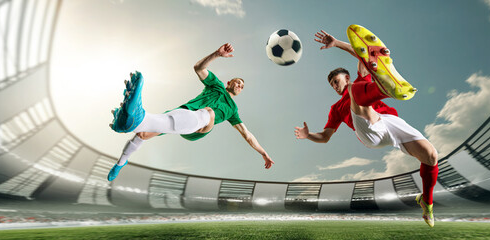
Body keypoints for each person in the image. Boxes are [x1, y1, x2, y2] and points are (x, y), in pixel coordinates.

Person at [294, 30, 439, 227]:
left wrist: (336, 43)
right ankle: (385, 89)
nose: (335, 87)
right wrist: (308, 135)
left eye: (336, 82)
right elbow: (325, 136)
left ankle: (427, 203)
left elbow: (361, 54)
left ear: (346, 77)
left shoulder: (360, 80)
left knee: (431, 156)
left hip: (390, 121)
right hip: (369, 132)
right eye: (332, 86)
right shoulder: (336, 108)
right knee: (356, 91)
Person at [108, 43, 274, 181]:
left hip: (200, 128)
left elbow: (247, 135)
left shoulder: (233, 110)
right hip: (182, 115)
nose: (239, 86)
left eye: (242, 87)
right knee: (142, 135)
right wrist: (216, 54)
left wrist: (263, 153)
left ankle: (139, 118)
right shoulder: (215, 85)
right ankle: (121, 161)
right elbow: (198, 68)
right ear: (229, 82)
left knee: (209, 112)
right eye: (238, 83)